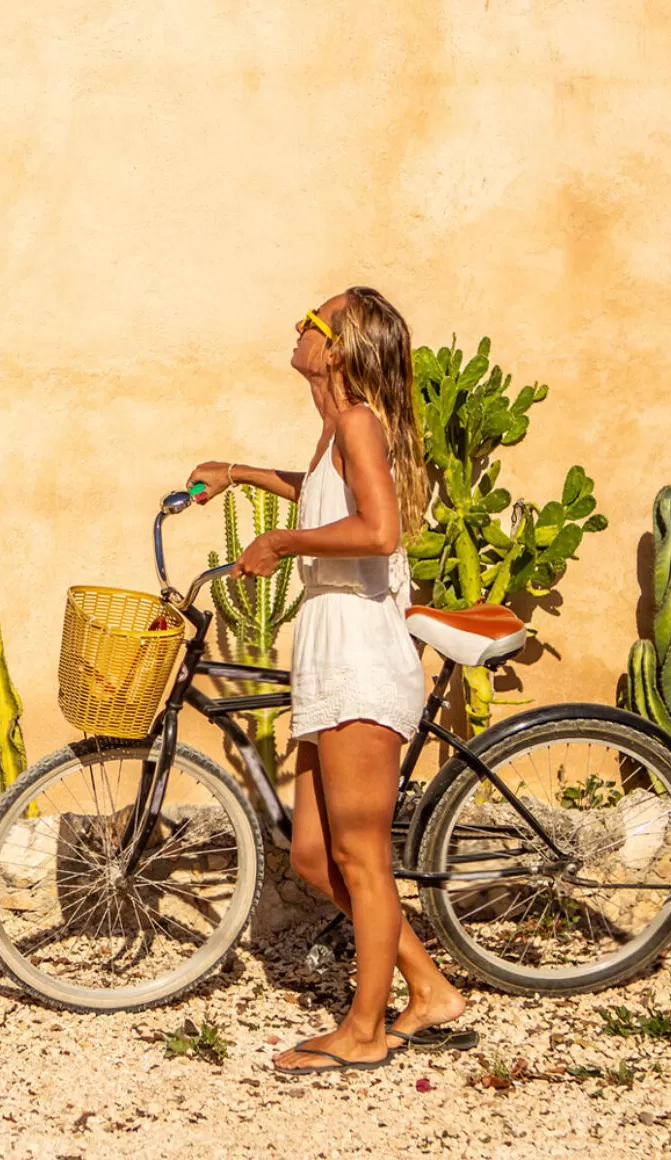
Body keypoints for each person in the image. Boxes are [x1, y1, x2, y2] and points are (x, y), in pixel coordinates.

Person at [187, 287, 470, 1074]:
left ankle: (366, 1030)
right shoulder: (334, 431)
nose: (299, 324)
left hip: (357, 650)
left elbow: (377, 531)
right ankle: (430, 990)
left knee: (363, 859)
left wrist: (279, 543)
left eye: (314, 320)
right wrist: (239, 474)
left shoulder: (357, 423)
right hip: (328, 643)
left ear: (338, 347)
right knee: (314, 854)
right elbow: (328, 498)